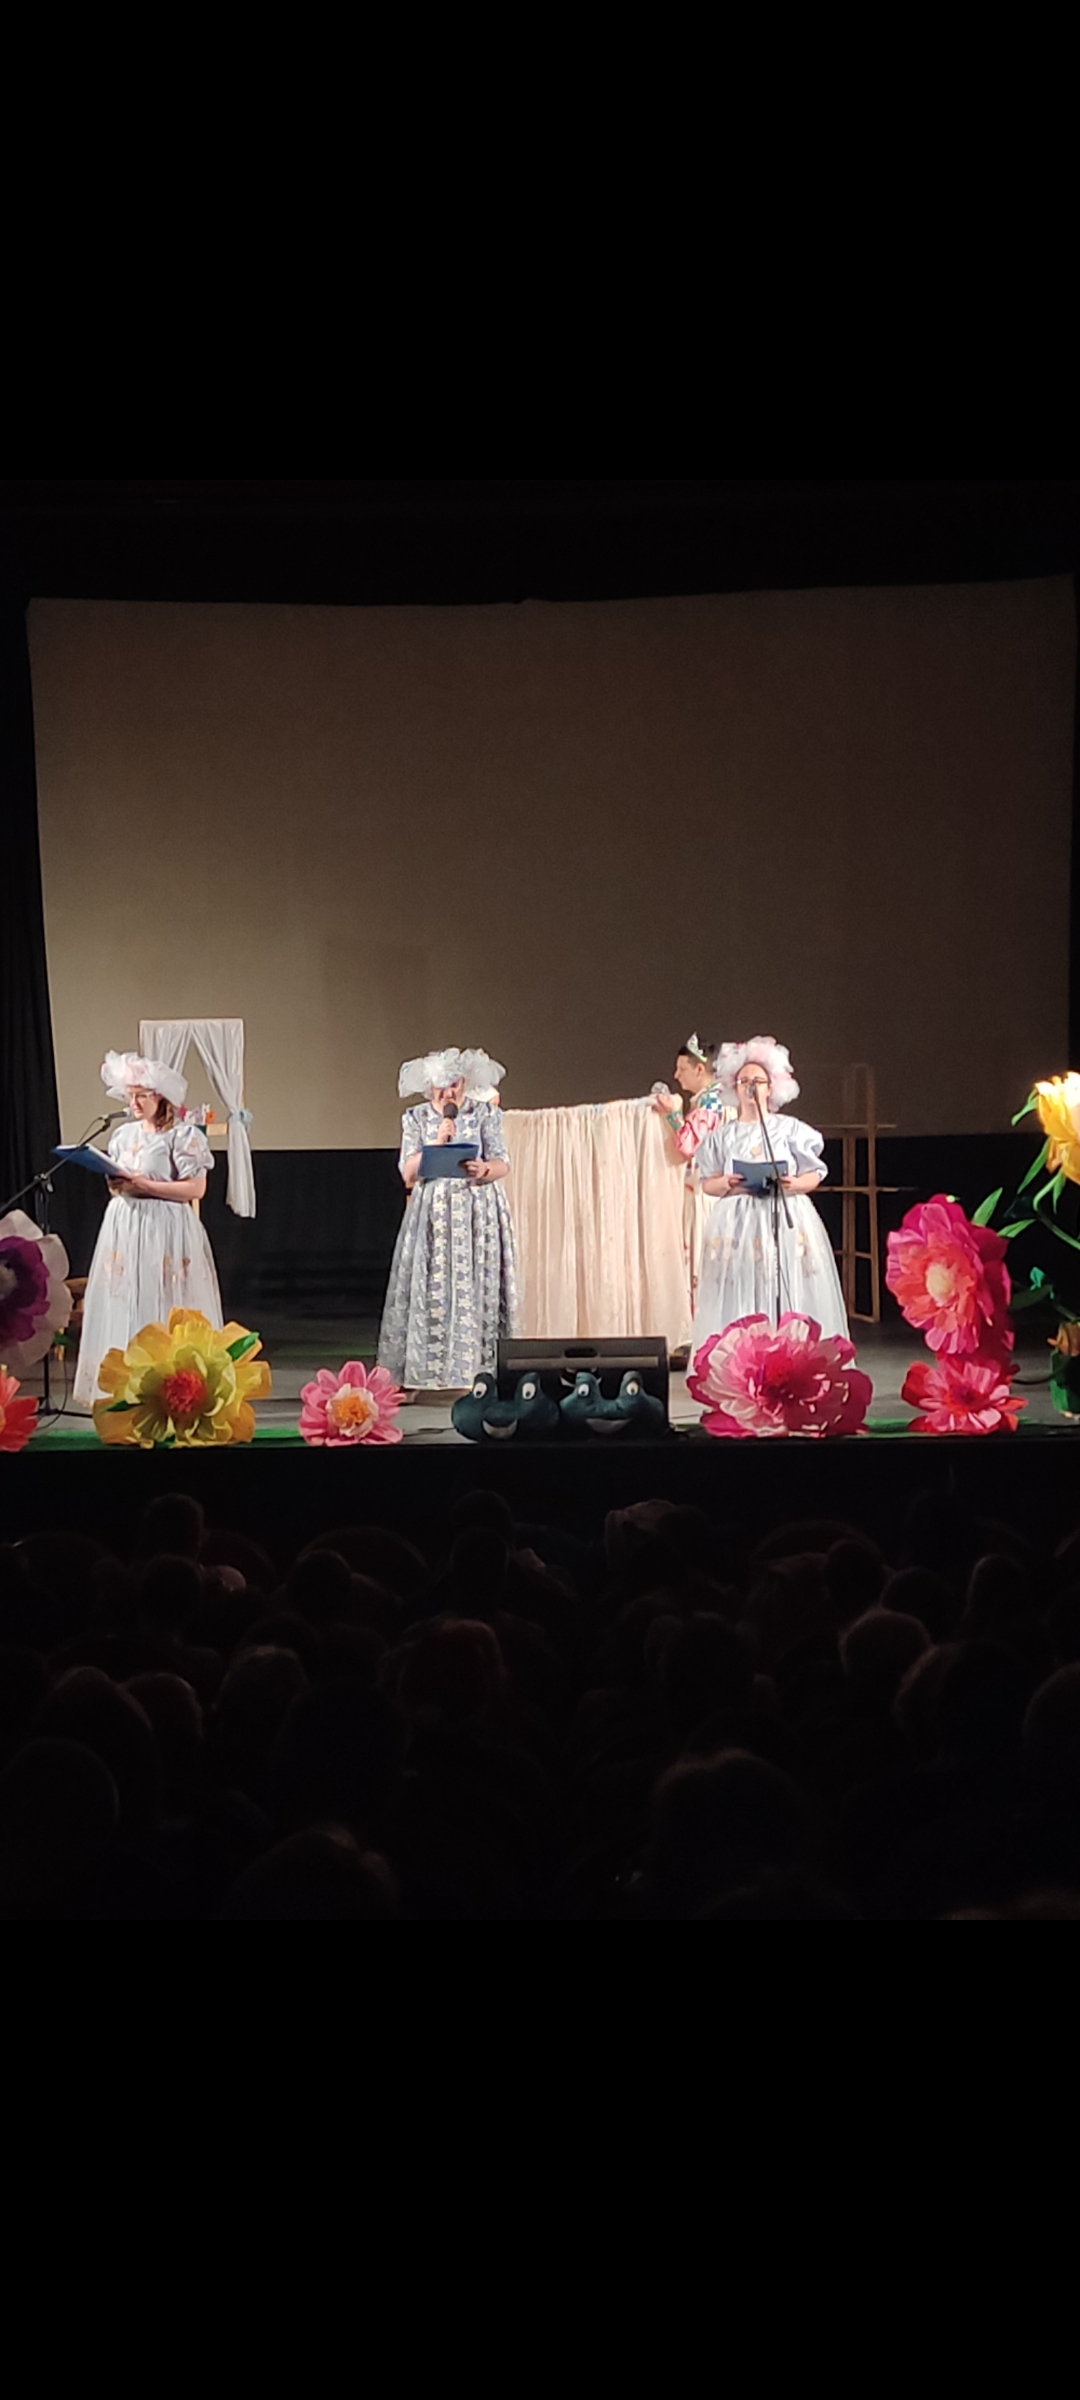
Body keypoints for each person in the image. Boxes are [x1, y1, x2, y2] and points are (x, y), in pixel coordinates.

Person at [72, 1052, 222, 1411]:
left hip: (165, 1224)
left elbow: (196, 1188)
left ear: (160, 1097)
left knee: (165, 1298)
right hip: (127, 1223)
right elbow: (120, 1183)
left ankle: (172, 1388)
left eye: (141, 1095)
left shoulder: (182, 1136)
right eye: (130, 1095)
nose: (133, 1103)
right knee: (127, 1296)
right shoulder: (123, 1135)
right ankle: (124, 1385)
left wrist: (146, 1185)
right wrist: (118, 1184)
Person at [691, 1037, 849, 1347]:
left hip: (782, 1214)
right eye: (744, 1081)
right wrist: (725, 1183)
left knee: (784, 1280)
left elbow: (815, 1173)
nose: (750, 1087)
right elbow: (707, 1181)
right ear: (734, 1087)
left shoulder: (790, 1129)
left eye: (758, 1081)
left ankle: (788, 1349)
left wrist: (794, 1184)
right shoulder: (723, 1137)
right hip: (739, 1222)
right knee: (742, 1283)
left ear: (771, 1087)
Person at [377, 1047, 518, 1394]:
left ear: (464, 1083)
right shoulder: (416, 1118)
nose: (448, 1093)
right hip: (433, 1218)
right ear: (430, 1088)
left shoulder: (484, 1113)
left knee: (475, 1288)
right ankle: (418, 1373)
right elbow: (407, 1173)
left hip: (477, 1215)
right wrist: (435, 1143)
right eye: (441, 1086)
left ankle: (480, 1373)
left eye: (454, 1084)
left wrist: (484, 1169)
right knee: (431, 1288)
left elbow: (502, 1163)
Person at [652, 1035, 735, 1319]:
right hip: (708, 1189)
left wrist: (672, 1116)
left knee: (702, 1258)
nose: (676, 1075)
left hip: (707, 1192)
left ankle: (704, 1324)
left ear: (700, 1069)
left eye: (682, 1069)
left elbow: (690, 1145)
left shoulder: (711, 1102)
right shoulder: (716, 1099)